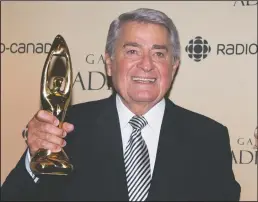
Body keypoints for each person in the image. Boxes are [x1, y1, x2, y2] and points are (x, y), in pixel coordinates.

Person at [1, 8, 241, 201]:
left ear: (174, 65)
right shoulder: (66, 129)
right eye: (133, 51)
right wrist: (34, 158)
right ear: (109, 63)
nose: (146, 65)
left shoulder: (210, 137)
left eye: (159, 54)